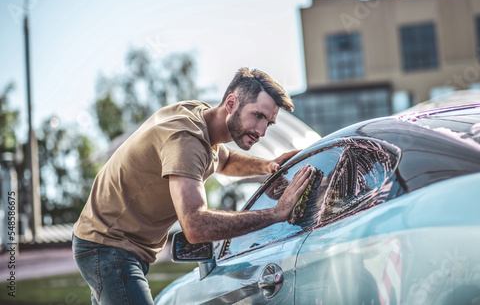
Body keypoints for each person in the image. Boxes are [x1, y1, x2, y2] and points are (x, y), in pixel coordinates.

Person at [72, 67, 313, 304]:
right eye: (258, 115)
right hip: (107, 245)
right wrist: (276, 213)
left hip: (109, 244)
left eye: (269, 123)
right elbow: (195, 226)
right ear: (231, 103)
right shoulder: (186, 140)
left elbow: (224, 160)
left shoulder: (199, 117)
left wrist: (267, 165)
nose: (261, 131)